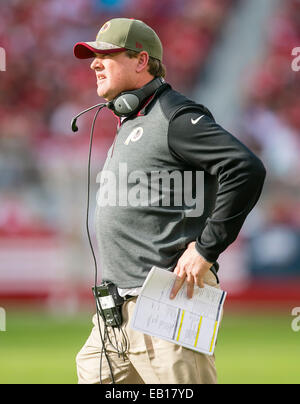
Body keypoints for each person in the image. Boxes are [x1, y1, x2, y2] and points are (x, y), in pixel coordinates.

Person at [73, 18, 266, 384]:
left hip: (167, 303)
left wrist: (207, 248)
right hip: (112, 314)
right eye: (93, 57)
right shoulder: (130, 118)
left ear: (141, 61)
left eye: (105, 55)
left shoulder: (174, 116)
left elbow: (245, 168)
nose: (94, 63)